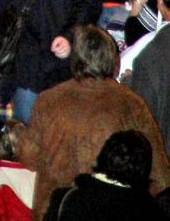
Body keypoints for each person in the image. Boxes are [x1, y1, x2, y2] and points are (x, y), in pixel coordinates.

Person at [19, 23, 170, 216]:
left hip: (54, 210)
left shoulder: (48, 99)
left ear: (76, 59)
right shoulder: (130, 102)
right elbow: (158, 172)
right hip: (110, 211)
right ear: (112, 58)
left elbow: (30, 157)